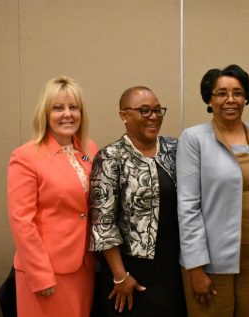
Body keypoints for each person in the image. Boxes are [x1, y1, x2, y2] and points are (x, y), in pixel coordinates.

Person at [176, 64, 249, 317]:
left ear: (246, 97)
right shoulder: (194, 139)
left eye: (237, 93)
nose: (230, 100)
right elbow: (187, 207)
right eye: (221, 93)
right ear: (209, 98)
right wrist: (195, 267)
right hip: (211, 264)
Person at [90, 86, 187, 316]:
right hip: (130, 271)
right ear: (124, 115)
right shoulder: (110, 157)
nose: (154, 117)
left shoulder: (175, 149)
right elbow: (102, 223)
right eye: (144, 111)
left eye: (157, 110)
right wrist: (120, 275)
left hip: (173, 265)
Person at [7, 76, 98, 317]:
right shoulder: (25, 156)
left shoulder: (90, 149)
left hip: (85, 266)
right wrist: (40, 274)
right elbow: (21, 221)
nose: (67, 114)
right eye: (58, 108)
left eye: (73, 107)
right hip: (47, 271)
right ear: (45, 113)